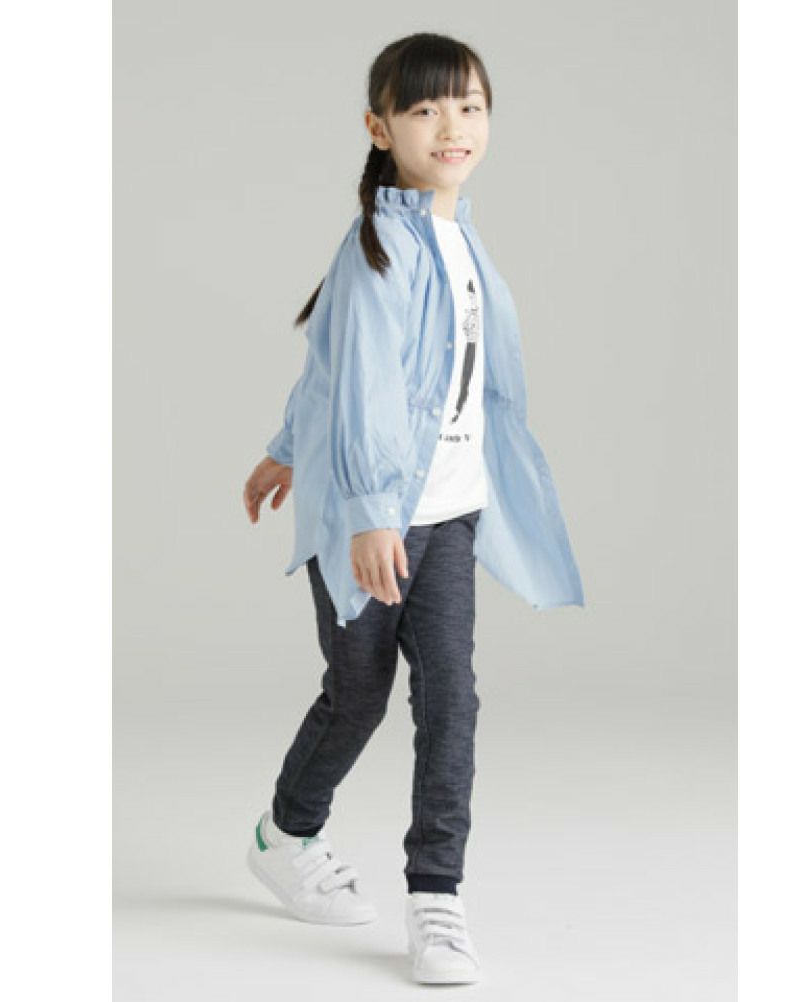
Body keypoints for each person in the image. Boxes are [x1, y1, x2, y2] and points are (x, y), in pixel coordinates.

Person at [241, 32, 585, 985]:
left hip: (451, 513)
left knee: (450, 699)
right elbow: (353, 381)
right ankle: (285, 835)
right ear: (380, 126)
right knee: (357, 694)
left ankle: (437, 896)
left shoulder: (458, 236)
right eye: (426, 108)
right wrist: (364, 510)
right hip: (376, 521)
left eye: (469, 106)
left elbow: (337, 367)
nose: (451, 125)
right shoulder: (380, 246)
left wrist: (283, 449)